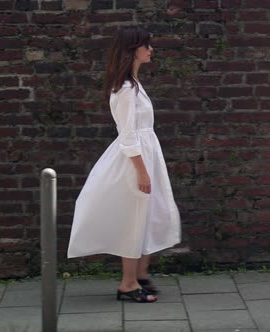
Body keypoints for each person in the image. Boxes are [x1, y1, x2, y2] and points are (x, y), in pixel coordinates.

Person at [67, 26, 181, 303]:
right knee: (135, 219)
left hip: (146, 157)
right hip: (134, 162)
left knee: (151, 215)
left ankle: (140, 275)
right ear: (132, 50)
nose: (150, 49)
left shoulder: (135, 85)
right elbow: (128, 135)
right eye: (146, 45)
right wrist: (141, 170)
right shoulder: (126, 90)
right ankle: (128, 285)